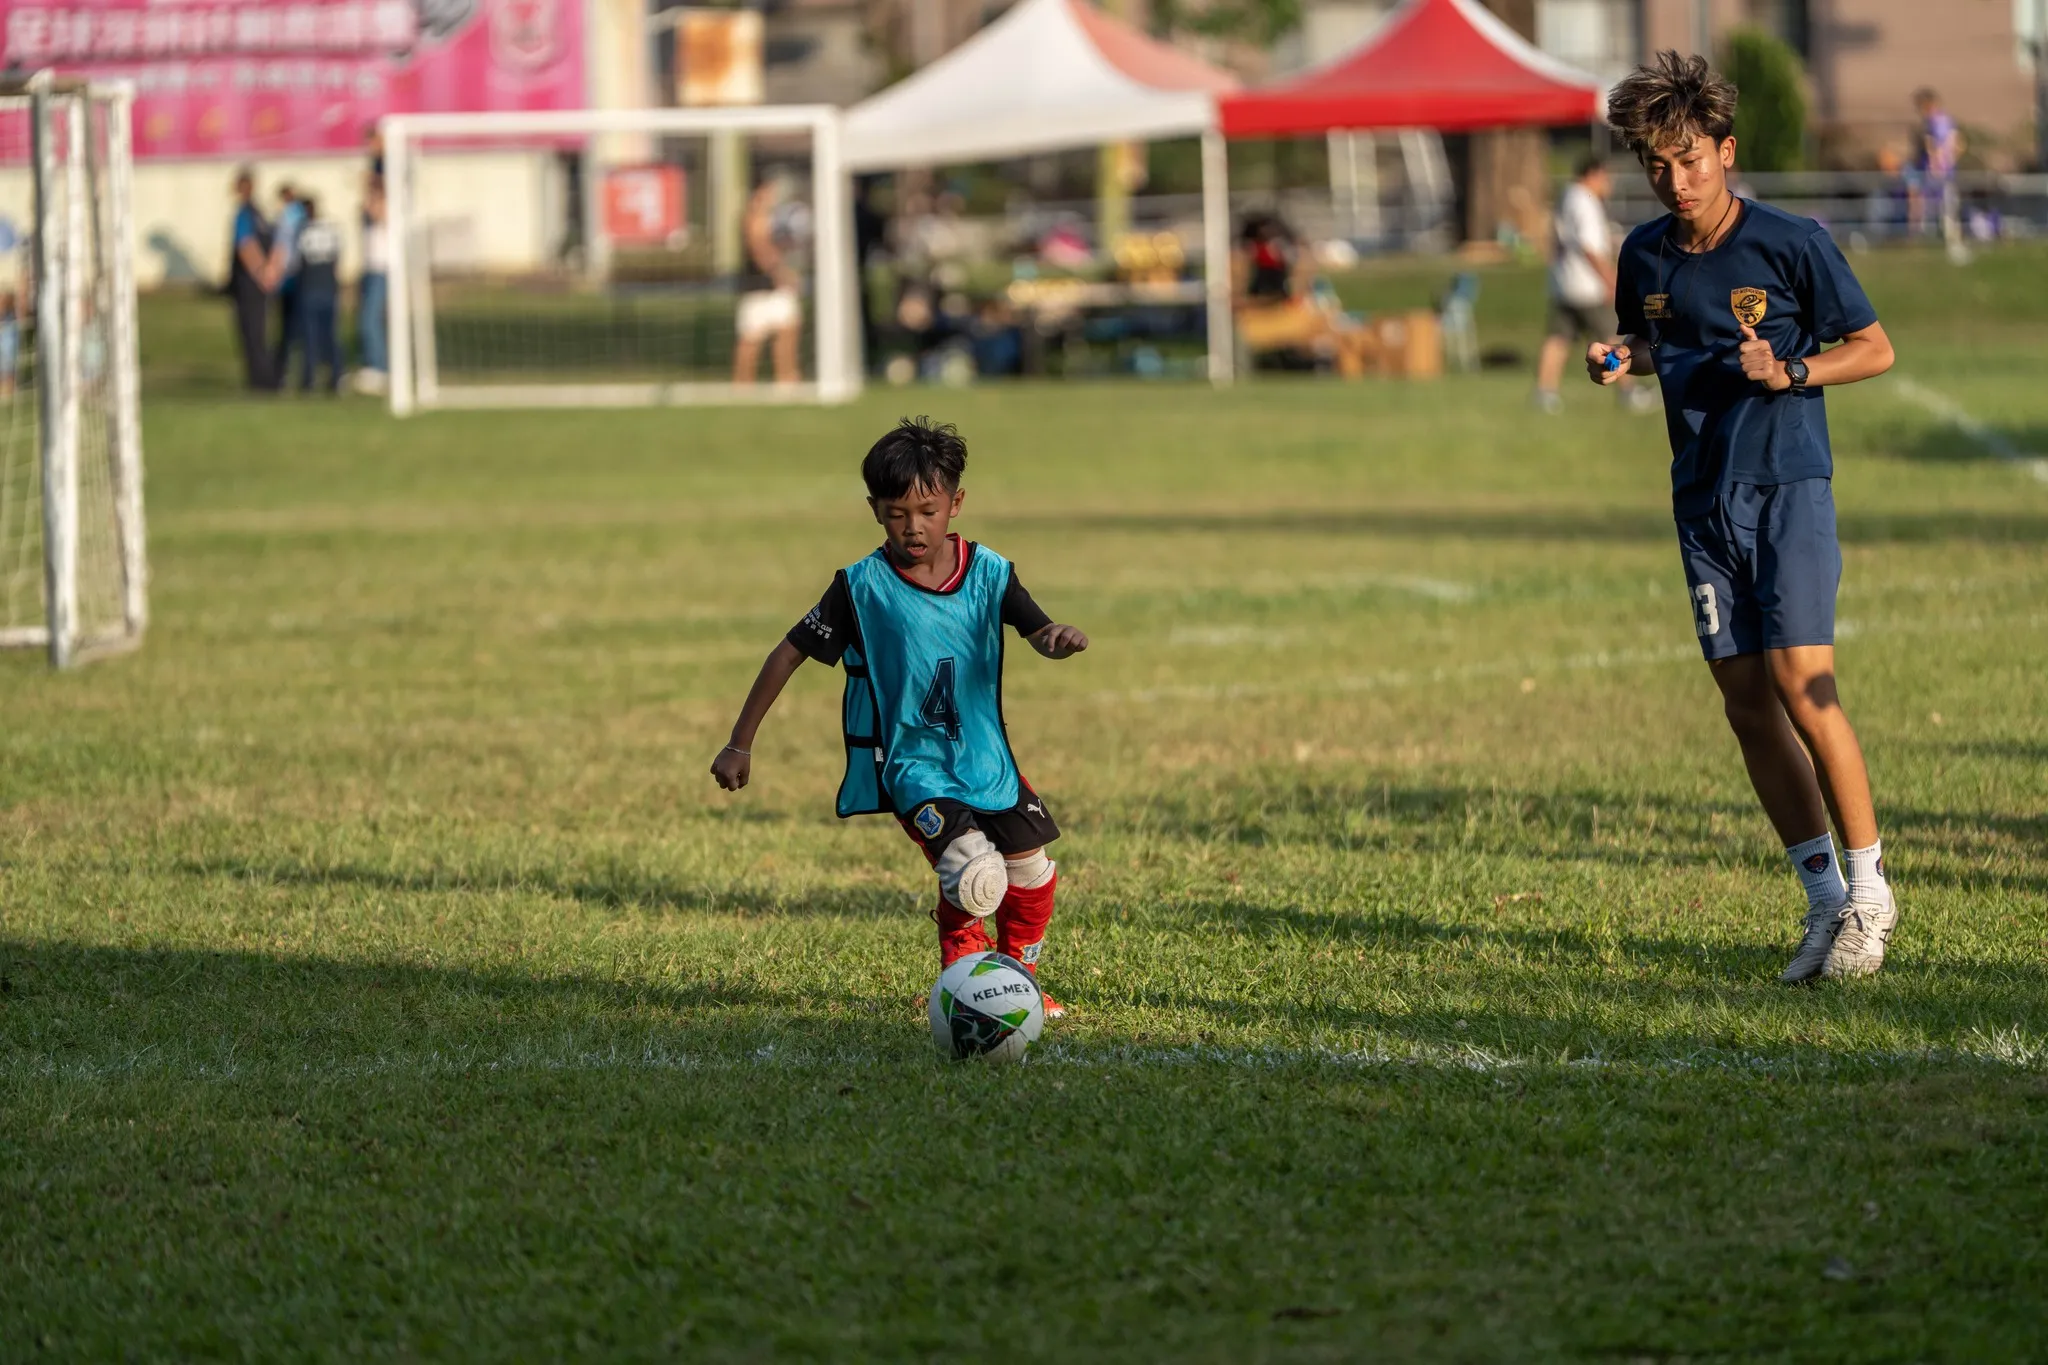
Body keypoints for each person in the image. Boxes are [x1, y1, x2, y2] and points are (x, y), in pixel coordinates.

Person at [1590, 52, 1898, 983]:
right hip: (1701, 497)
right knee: (1746, 702)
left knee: (1804, 683)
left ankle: (1872, 892)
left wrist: (1791, 369)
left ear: (1725, 152)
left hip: (1787, 484)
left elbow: (1874, 348)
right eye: (1657, 164)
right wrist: (1623, 356)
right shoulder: (1643, 253)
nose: (1675, 180)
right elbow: (1660, 337)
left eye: (1690, 160)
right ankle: (1824, 900)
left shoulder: (1791, 242)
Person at [709, 418, 1089, 1013]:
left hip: (987, 761)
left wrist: (1056, 639)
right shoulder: (861, 587)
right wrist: (740, 742)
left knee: (1032, 873)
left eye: (928, 511)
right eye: (896, 514)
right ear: (875, 511)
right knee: (973, 869)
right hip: (914, 767)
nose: (914, 526)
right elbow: (788, 652)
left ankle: (1019, 980)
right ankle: (963, 984)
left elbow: (1037, 630)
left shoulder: (989, 572)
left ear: (955, 504)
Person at [1532, 156, 1653, 414]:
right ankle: (1629, 392)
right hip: (1587, 285)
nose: (1608, 184)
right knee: (1612, 337)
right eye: (1606, 177)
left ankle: (1544, 392)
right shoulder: (1585, 202)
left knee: (1557, 338)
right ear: (1593, 174)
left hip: (1564, 281)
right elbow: (1590, 248)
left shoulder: (1567, 196)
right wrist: (1610, 279)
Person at [1231, 213, 1373, 378]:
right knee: (1323, 325)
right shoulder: (1241, 262)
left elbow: (1300, 284)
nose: (1272, 246)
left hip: (1288, 316)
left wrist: (1297, 260)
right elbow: (1236, 301)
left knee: (1338, 329)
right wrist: (1270, 300)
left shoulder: (1284, 263)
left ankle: (1351, 372)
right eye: (1266, 240)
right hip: (1257, 322)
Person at [733, 173, 804, 386]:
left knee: (788, 327)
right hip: (759, 286)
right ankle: (743, 384)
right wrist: (783, 274)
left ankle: (787, 378)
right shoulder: (754, 218)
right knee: (751, 339)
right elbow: (761, 252)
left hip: (773, 287)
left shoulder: (770, 218)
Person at [226, 168, 278, 392]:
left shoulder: (245, 214)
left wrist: (260, 273)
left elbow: (246, 245)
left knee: (251, 332)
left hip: (249, 282)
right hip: (261, 282)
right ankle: (266, 376)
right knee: (261, 329)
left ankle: (260, 379)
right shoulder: (260, 214)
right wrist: (269, 272)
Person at [292, 196, 344, 394]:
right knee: (330, 335)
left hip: (310, 287)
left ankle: (309, 379)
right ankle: (336, 376)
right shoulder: (331, 230)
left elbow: (296, 260)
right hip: (328, 287)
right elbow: (337, 258)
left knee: (310, 336)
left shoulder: (302, 231)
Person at [1907, 88, 1962, 250]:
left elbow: (1932, 146)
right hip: (1945, 172)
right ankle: (1946, 242)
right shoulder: (1948, 121)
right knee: (1945, 209)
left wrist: (1937, 164)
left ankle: (1948, 243)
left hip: (1937, 173)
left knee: (1942, 210)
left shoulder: (1933, 123)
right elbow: (1957, 145)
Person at [268, 183, 308, 384]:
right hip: (305, 276)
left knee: (286, 328)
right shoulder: (304, 215)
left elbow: (281, 247)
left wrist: (272, 272)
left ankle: (282, 372)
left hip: (289, 277)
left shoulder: (286, 217)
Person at [355, 175, 389, 395]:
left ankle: (379, 368)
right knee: (366, 318)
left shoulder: (388, 204)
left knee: (370, 320)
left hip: (382, 269)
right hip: (370, 268)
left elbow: (377, 214)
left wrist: (372, 199)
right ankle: (373, 363)